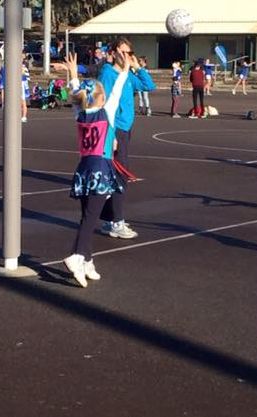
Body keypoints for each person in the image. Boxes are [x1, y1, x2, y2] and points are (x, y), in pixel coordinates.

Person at [61, 51, 132, 287]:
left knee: (87, 215)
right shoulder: (106, 112)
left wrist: (73, 74)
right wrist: (125, 69)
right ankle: (77, 255)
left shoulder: (80, 114)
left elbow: (76, 94)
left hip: (84, 168)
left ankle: (87, 260)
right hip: (101, 167)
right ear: (101, 98)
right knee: (92, 217)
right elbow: (117, 91)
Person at [97, 38, 156, 240]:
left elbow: (149, 86)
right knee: (121, 176)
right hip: (116, 130)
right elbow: (103, 105)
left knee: (115, 175)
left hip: (125, 129)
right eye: (123, 53)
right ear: (113, 53)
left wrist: (138, 67)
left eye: (130, 53)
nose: (127, 57)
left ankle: (108, 218)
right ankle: (117, 222)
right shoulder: (108, 73)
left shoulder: (128, 74)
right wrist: (109, 135)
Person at [21, 57, 31, 123]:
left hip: (22, 85)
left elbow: (26, 78)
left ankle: (24, 117)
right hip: (19, 85)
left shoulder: (24, 68)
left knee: (23, 102)